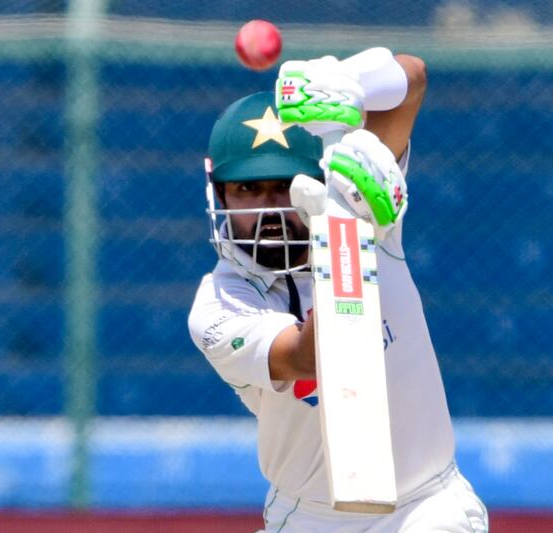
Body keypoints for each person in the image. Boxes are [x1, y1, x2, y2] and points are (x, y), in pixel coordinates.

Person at [188, 48, 488, 532]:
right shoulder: (219, 304)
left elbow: (412, 78)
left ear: (315, 177)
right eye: (247, 190)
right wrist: (344, 225)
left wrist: (349, 82)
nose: (269, 209)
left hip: (427, 507)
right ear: (218, 194)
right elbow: (312, 355)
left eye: (285, 185)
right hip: (309, 517)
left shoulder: (359, 203)